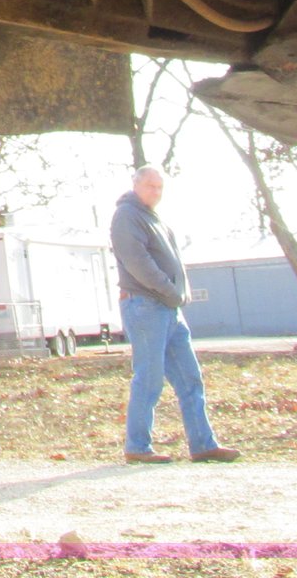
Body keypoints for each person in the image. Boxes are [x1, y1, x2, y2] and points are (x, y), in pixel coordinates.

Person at [109, 164, 238, 464]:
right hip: (144, 306)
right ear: (136, 185)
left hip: (169, 307)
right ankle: (137, 447)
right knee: (149, 378)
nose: (156, 192)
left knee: (190, 378)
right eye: (150, 186)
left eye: (159, 187)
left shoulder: (155, 219)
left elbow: (174, 262)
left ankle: (203, 444)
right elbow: (138, 263)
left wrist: (180, 294)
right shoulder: (126, 215)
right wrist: (169, 290)